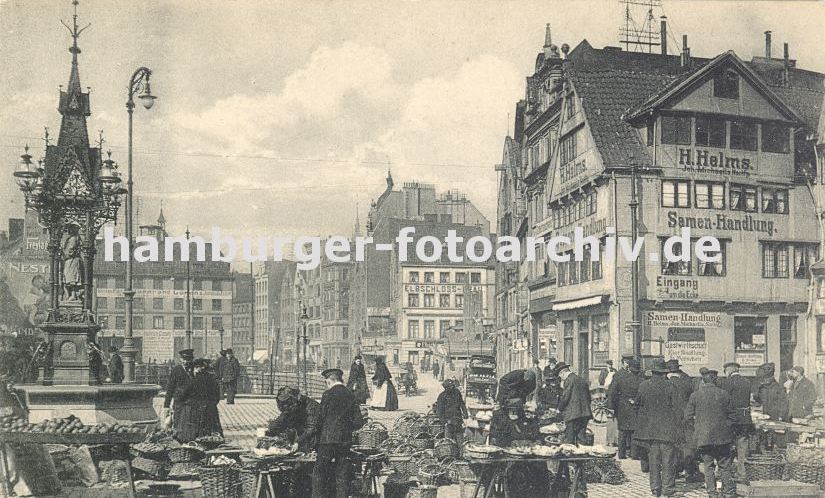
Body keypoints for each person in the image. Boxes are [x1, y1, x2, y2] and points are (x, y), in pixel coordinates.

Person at [312, 368, 366, 498]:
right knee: (342, 473)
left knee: (319, 472)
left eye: (326, 382)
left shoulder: (327, 395)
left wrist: (316, 441)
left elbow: (319, 420)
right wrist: (347, 429)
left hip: (327, 439)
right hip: (344, 441)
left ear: (329, 381)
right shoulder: (350, 395)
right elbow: (359, 421)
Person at [685, 368, 737, 498]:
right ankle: (729, 493)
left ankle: (712, 493)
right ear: (716, 380)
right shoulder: (724, 394)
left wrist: (696, 429)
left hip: (704, 437)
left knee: (708, 466)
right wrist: (726, 428)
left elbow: (688, 417)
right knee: (724, 466)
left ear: (703, 380)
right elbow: (733, 417)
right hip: (723, 438)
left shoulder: (695, 395)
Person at [489, 398, 551, 497]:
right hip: (511, 458)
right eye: (511, 411)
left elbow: (536, 436)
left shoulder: (527, 421)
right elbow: (499, 441)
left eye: (516, 411)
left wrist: (535, 443)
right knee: (517, 473)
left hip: (529, 456)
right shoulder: (503, 422)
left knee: (540, 467)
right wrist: (514, 444)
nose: (513, 413)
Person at [635, 360, 679, 497]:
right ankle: (668, 489)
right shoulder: (671, 386)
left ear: (653, 372)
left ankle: (655, 488)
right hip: (667, 431)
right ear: (664, 373)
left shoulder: (643, 386)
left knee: (653, 461)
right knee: (668, 461)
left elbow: (637, 405)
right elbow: (677, 408)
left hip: (650, 431)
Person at [666, 359, 701, 483]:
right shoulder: (686, 380)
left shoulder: (666, 382)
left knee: (673, 445)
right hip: (686, 417)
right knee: (688, 445)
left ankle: (674, 472)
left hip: (670, 419)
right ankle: (690, 471)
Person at [719, 361, 753, 484]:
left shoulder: (727, 382)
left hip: (732, 419)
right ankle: (742, 474)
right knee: (742, 446)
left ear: (728, 371)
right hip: (745, 418)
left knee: (728, 446)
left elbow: (723, 401)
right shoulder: (747, 382)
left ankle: (725, 473)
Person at [174, 358, 223, 441]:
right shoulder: (213, 381)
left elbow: (181, 396)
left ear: (196, 369)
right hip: (210, 411)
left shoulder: (192, 381)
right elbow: (217, 397)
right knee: (212, 435)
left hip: (194, 411)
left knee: (193, 435)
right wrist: (211, 405)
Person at [267, 386, 320, 452]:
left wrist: (298, 442)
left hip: (315, 440)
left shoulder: (311, 406)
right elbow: (283, 417)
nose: (285, 406)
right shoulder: (292, 405)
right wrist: (271, 429)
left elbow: (311, 428)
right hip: (301, 438)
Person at [608, 357, 642, 459]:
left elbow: (612, 393)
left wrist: (612, 407)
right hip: (636, 408)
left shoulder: (621, 379)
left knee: (622, 431)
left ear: (630, 369)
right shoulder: (642, 381)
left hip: (622, 407)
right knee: (634, 431)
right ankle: (634, 454)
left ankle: (622, 454)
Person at [553, 362, 592, 445]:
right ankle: (582, 456)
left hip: (573, 415)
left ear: (562, 373)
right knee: (581, 438)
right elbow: (589, 397)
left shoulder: (569, 380)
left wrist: (559, 409)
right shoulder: (581, 379)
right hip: (585, 414)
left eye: (559, 375)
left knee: (569, 439)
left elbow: (565, 397)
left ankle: (571, 455)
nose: (560, 378)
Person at [163, 349, 196, 442]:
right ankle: (178, 442)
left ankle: (190, 442)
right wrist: (166, 405)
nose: (186, 362)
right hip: (179, 402)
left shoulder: (194, 369)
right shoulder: (176, 370)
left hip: (191, 402)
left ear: (192, 359)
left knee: (191, 423)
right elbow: (170, 388)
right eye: (184, 359)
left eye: (188, 359)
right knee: (178, 423)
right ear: (180, 359)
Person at [435, 379, 468, 444]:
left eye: (453, 386)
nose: (452, 388)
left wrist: (465, 412)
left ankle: (460, 452)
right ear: (446, 388)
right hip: (448, 422)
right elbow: (439, 412)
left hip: (457, 420)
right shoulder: (442, 396)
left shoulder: (457, 392)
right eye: (450, 387)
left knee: (460, 440)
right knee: (449, 442)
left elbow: (462, 403)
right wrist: (444, 422)